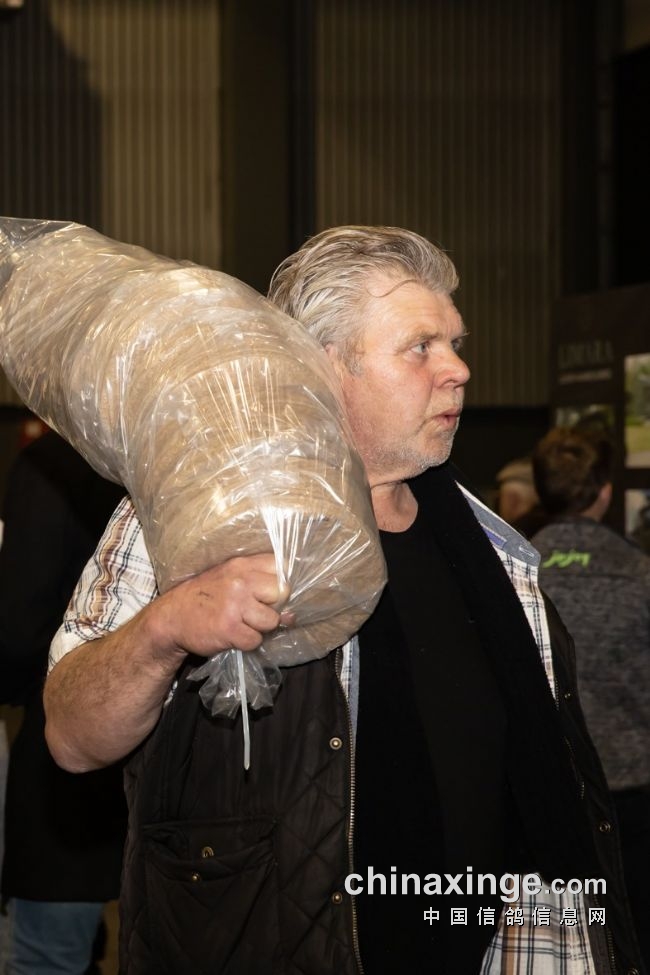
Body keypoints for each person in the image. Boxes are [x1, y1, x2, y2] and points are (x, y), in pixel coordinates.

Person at [43, 227, 642, 974]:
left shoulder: (497, 555)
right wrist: (164, 629)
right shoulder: (195, 521)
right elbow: (72, 736)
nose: (458, 369)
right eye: (420, 347)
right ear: (323, 365)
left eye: (455, 343)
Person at [0, 430, 127, 975]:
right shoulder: (180, 452)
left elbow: (17, 632)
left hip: (68, 775)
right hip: (169, 769)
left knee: (44, 958)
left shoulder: (55, 464)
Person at [531, 425, 650, 972]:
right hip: (632, 788)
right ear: (604, 492)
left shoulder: (512, 568)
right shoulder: (638, 573)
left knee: (554, 937)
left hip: (548, 783)